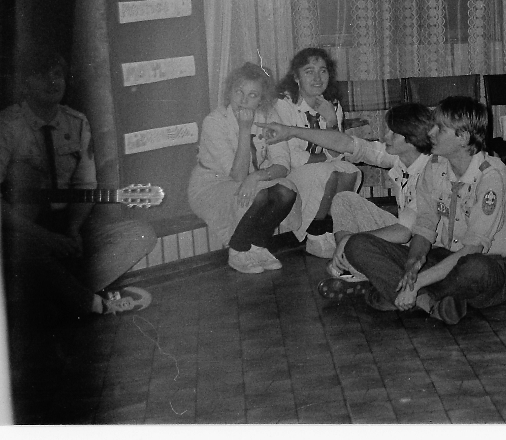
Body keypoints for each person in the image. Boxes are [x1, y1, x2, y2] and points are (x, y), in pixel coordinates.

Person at [0, 49, 154, 316]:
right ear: (24, 84)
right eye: (41, 75)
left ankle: (60, 298)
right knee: (24, 252)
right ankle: (93, 304)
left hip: (65, 226)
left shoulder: (77, 122)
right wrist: (45, 238)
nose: (52, 81)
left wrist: (73, 229)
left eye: (57, 74)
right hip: (24, 229)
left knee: (140, 234)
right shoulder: (7, 126)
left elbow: (85, 185)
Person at [341, 97, 506, 324]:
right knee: (356, 244)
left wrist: (417, 282)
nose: (431, 133)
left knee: (476, 268)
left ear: (463, 137)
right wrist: (413, 264)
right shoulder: (434, 166)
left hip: (482, 264)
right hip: (438, 258)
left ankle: (402, 296)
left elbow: (472, 249)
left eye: (440, 129)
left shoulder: (491, 175)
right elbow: (424, 226)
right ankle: (429, 302)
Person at [259, 102, 435, 290]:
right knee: (344, 200)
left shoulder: (430, 171)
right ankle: (348, 263)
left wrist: (350, 240)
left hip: (425, 251)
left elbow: (404, 232)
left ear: (412, 138)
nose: (385, 136)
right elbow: (346, 144)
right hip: (406, 236)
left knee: (356, 242)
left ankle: (366, 267)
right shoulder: (401, 157)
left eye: (393, 133)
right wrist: (290, 131)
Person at [188, 63, 297, 275]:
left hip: (250, 179)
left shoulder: (268, 117)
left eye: (252, 95)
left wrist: (256, 177)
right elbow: (237, 176)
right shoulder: (214, 121)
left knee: (286, 191)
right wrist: (245, 129)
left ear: (261, 100)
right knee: (259, 196)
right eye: (239, 92)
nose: (243, 100)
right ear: (229, 91)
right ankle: (238, 250)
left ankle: (258, 246)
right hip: (211, 185)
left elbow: (282, 165)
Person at [273, 48, 361, 259]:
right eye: (309, 71)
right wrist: (327, 157)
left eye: (323, 71)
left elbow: (339, 151)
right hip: (288, 172)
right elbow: (292, 157)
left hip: (319, 167)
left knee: (349, 171)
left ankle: (331, 230)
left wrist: (331, 120)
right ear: (296, 77)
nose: (317, 78)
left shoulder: (332, 105)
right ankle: (315, 235)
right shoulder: (284, 104)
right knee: (327, 172)